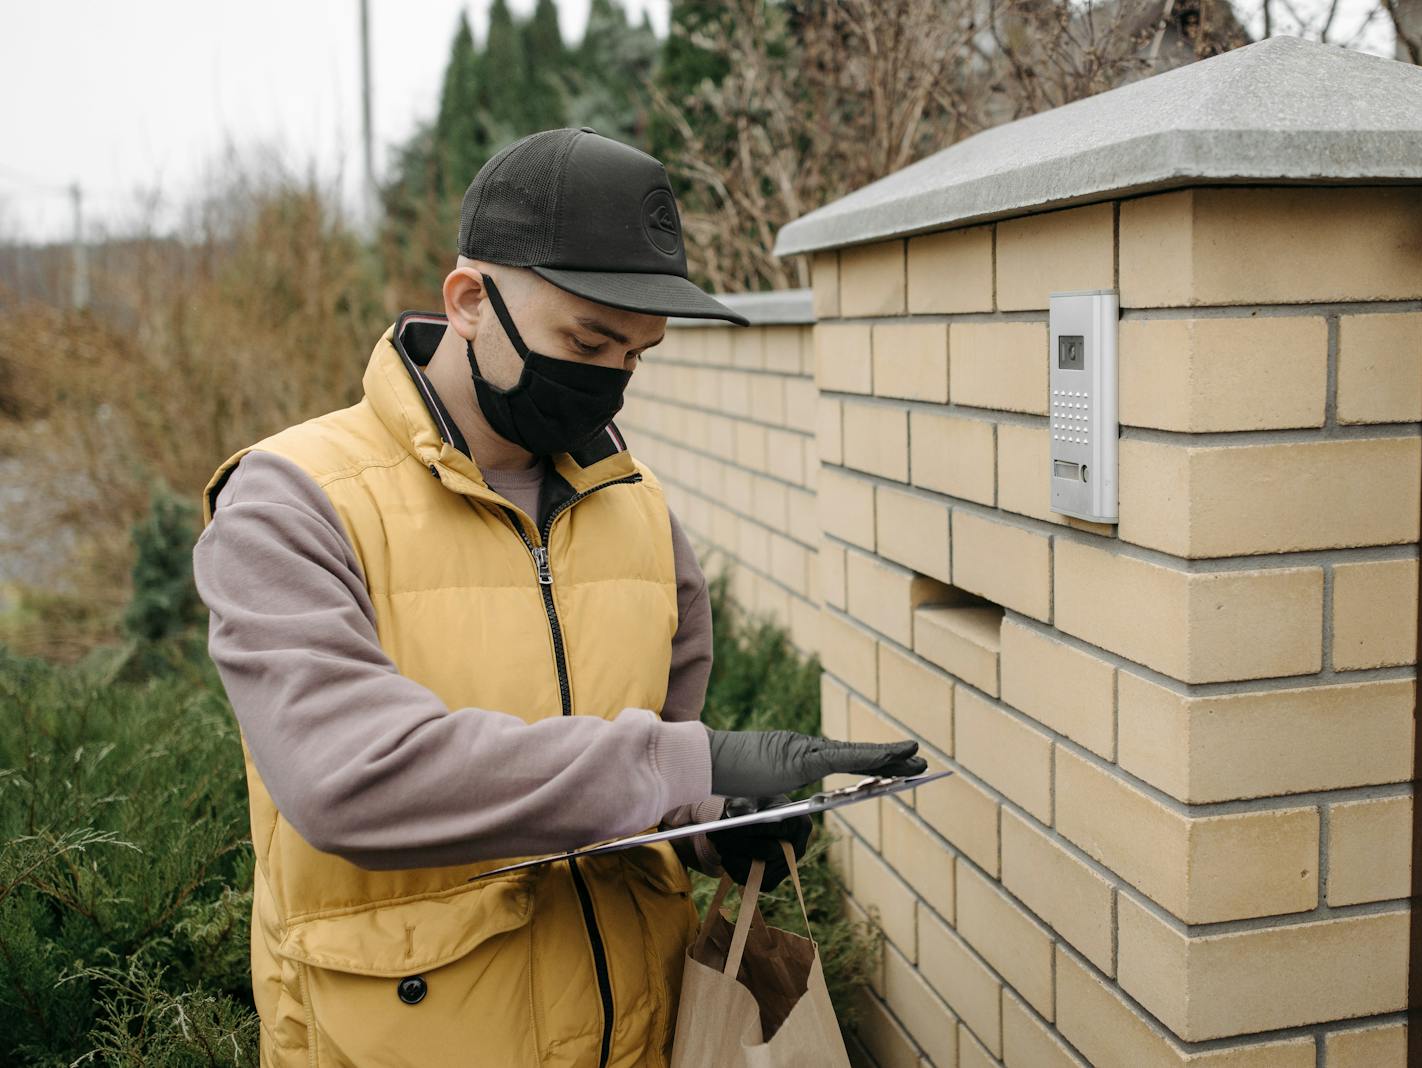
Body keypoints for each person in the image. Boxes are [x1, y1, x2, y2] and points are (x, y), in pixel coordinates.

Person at [191, 127, 924, 1068]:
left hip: (640, 1039)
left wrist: (715, 828)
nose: (610, 379)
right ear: (468, 301)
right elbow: (348, 777)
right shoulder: (292, 500)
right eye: (587, 339)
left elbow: (650, 755)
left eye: (637, 354)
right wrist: (687, 762)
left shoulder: (639, 510)